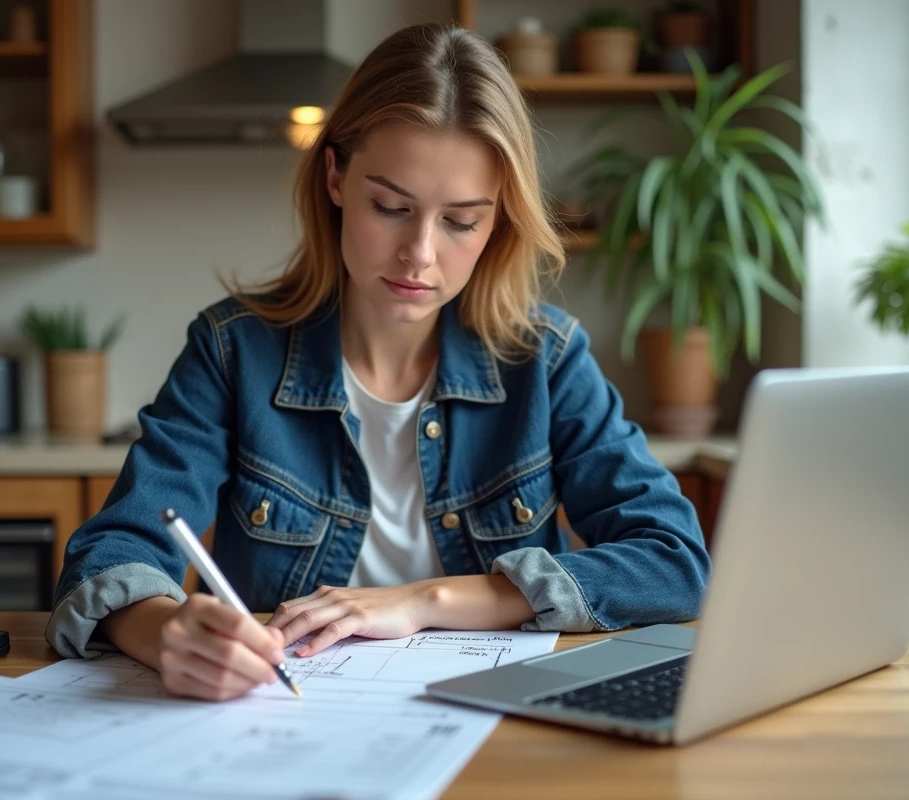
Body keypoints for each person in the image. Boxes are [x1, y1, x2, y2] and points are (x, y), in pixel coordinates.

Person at [48, 23, 709, 702]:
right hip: (283, 721)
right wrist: (165, 633)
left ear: (499, 220)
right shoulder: (232, 351)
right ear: (335, 177)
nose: (419, 253)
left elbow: (674, 562)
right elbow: (114, 551)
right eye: (390, 207)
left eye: (461, 221)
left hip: (494, 727)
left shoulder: (547, 359)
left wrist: (427, 600)